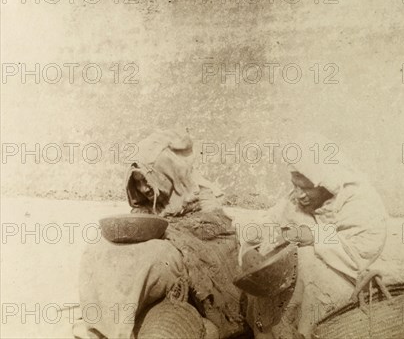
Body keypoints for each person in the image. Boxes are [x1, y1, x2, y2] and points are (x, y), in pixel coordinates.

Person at [75, 129, 247, 339]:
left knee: (151, 260)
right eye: (137, 182)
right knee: (99, 251)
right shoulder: (150, 203)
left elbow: (218, 239)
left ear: (167, 173)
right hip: (161, 248)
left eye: (147, 180)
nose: (143, 188)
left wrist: (169, 233)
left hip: (183, 260)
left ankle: (118, 329)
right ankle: (98, 328)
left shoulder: (201, 195)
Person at [239, 150, 388, 338]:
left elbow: (362, 252)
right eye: (295, 185)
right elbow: (267, 225)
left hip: (342, 281)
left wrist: (315, 236)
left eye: (307, 188)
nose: (299, 194)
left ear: (325, 184)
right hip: (289, 284)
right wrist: (251, 249)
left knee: (305, 259)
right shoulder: (296, 199)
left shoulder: (360, 202)